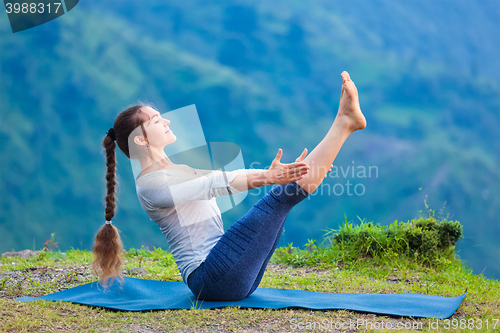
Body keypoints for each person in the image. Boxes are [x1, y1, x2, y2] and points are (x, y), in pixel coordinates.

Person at [92, 71, 366, 300]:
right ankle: (344, 123)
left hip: (228, 276)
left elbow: (221, 178)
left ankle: (344, 124)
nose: (166, 121)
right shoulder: (149, 185)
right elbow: (215, 183)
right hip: (210, 279)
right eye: (155, 121)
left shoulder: (178, 170)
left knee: (287, 192)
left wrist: (275, 173)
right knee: (279, 197)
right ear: (141, 140)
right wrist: (269, 177)